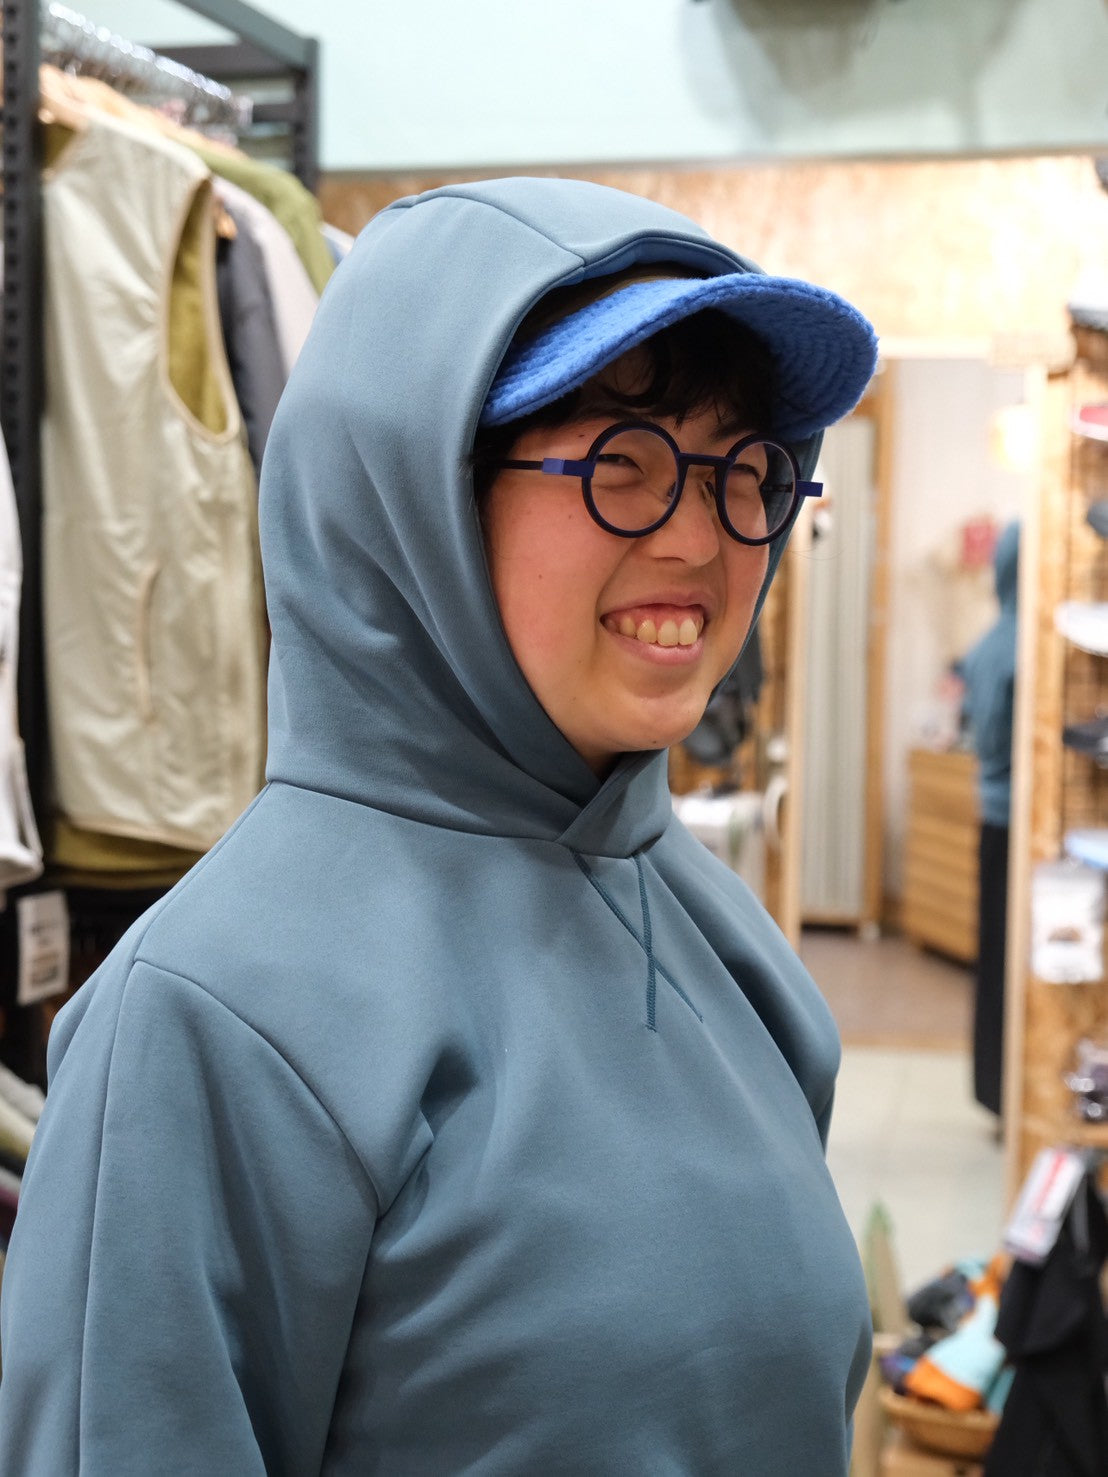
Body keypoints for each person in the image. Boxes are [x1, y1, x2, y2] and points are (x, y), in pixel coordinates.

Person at [0, 177, 878, 1473]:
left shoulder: (718, 937)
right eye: (621, 465)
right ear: (416, 494)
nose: (701, 538)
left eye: (743, 469)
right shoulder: (212, 1015)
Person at [959, 521, 1019, 1120]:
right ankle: (1010, 1092)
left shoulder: (986, 644)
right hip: (1020, 826)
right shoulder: (1029, 648)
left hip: (991, 815)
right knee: (1012, 962)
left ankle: (992, 1089)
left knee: (994, 957)